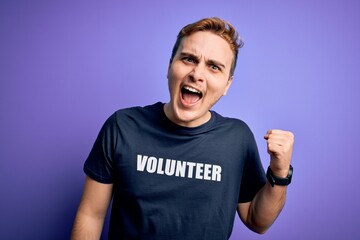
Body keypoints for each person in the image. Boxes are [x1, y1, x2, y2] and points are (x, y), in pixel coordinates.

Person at [71, 17, 294, 240]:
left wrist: (280, 171)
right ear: (170, 66)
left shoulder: (237, 139)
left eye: (214, 67)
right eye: (188, 59)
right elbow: (91, 214)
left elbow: (257, 222)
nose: (197, 74)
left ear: (227, 84)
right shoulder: (122, 126)